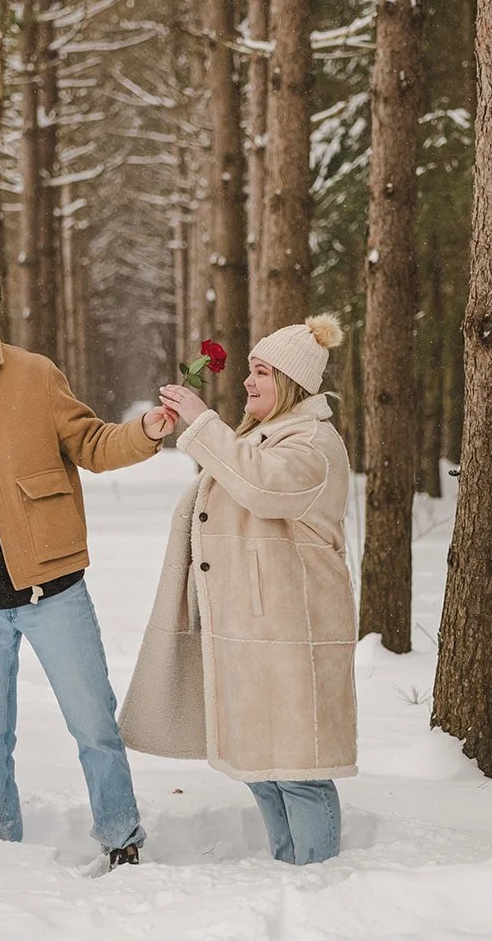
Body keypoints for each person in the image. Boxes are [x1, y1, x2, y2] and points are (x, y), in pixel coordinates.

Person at [0, 251, 174, 868]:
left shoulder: (32, 374)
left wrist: (147, 430)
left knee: (93, 726)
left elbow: (92, 444)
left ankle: (121, 838)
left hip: (53, 590)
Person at [119, 314, 357, 866]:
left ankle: (319, 880)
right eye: (249, 370)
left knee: (299, 771)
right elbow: (235, 475)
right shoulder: (269, 435)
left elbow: (260, 484)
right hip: (252, 631)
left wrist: (203, 423)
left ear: (292, 383)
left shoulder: (315, 444)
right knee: (262, 772)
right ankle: (288, 868)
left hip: (293, 632)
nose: (248, 382)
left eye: (262, 372)